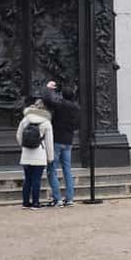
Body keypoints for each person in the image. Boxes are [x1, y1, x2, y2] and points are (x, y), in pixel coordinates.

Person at [42, 80, 80, 208]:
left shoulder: (60, 105)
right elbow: (77, 125)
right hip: (68, 140)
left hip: (56, 140)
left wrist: (48, 88)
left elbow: (47, 100)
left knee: (52, 169)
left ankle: (57, 198)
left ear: (63, 95)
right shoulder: (76, 108)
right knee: (67, 170)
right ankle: (69, 199)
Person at [16, 97, 54, 210]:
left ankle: (25, 202)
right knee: (36, 179)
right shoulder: (46, 122)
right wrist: (50, 157)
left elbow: (18, 135)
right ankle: (35, 203)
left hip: (26, 153)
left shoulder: (25, 120)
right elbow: (49, 141)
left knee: (27, 179)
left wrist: (24, 145)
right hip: (39, 154)